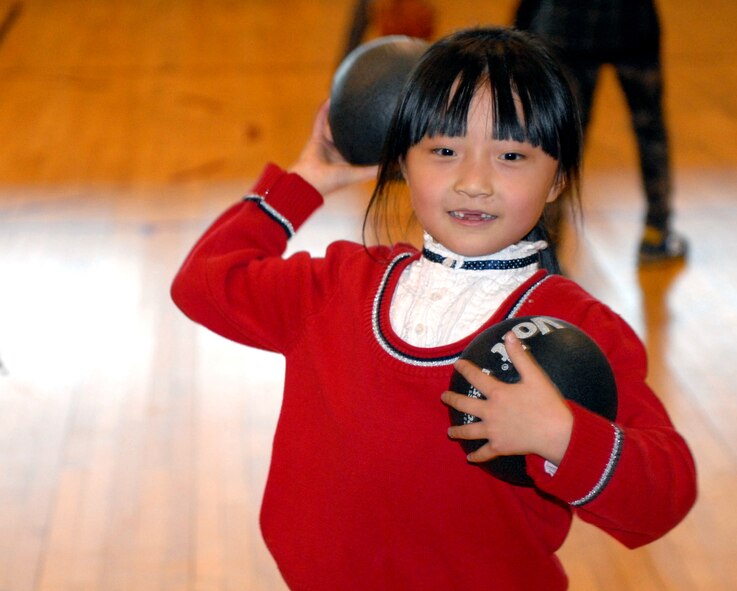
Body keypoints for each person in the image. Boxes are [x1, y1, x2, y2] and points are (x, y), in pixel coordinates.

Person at [171, 27, 696, 590]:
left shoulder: (576, 327)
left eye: (512, 155)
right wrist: (306, 181)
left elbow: (666, 492)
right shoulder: (340, 285)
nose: (474, 182)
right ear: (403, 161)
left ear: (558, 179)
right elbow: (204, 283)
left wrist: (563, 436)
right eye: (444, 151)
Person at [514, 0, 687, 264]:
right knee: (649, 130)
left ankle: (545, 251)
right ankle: (657, 231)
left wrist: (523, 21)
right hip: (631, 25)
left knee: (559, 138)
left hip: (565, 27)